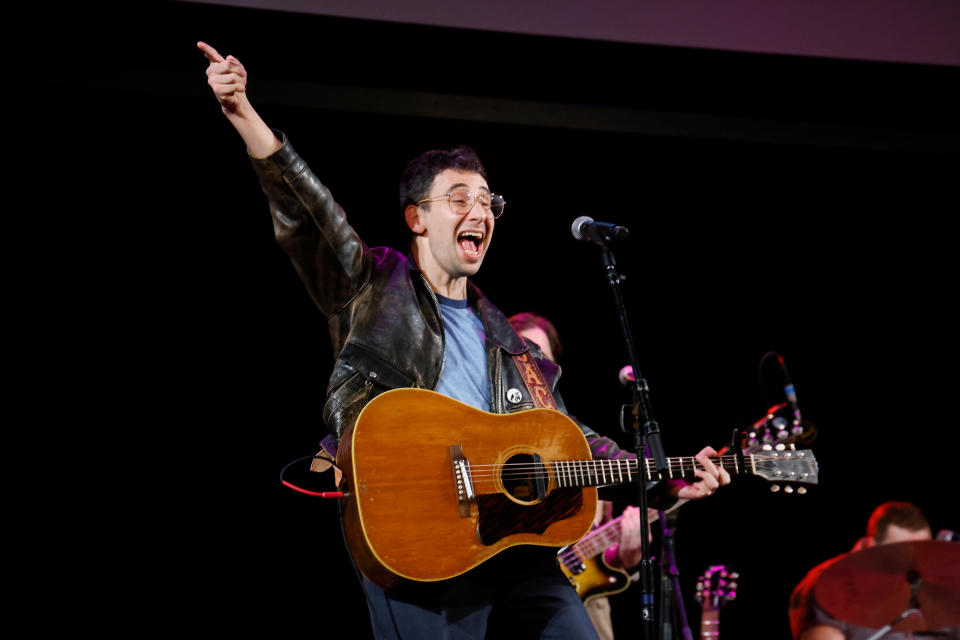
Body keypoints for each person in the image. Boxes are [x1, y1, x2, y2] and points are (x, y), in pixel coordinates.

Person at [198, 41, 730, 640]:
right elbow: (308, 214)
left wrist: (666, 475)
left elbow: (571, 442)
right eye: (461, 199)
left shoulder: (509, 343)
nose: (480, 211)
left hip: (513, 542)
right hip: (419, 531)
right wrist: (243, 111)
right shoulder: (372, 286)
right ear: (417, 217)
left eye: (488, 202)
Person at [509, 311, 649, 640]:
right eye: (527, 352)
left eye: (542, 357)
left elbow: (603, 559)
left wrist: (625, 556)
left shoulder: (579, 447)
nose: (533, 364)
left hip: (581, 613)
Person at [788, 501, 953, 640]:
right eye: (900, 553)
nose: (912, 562)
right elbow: (822, 634)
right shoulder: (829, 580)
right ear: (871, 546)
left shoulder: (933, 580)